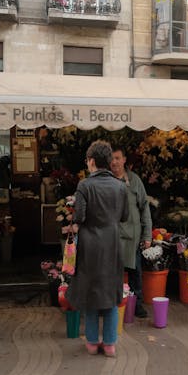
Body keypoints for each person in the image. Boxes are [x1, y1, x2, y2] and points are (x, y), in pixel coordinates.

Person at [68, 140, 129, 357]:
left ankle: (92, 343)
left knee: (90, 292)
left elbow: (80, 216)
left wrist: (74, 221)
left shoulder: (84, 186)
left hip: (89, 245)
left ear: (92, 162)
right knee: (112, 293)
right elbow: (125, 216)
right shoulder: (121, 186)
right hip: (112, 244)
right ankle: (110, 343)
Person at [110, 146, 152, 318]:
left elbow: (144, 207)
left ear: (124, 160)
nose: (114, 162)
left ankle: (137, 305)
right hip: (112, 236)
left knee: (135, 273)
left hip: (132, 237)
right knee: (112, 273)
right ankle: (112, 305)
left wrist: (147, 235)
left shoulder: (134, 181)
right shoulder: (105, 181)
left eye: (117, 158)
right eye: (111, 159)